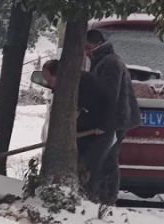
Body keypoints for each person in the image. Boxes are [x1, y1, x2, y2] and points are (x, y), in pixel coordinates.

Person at [84, 28, 142, 205]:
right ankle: (103, 197)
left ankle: (106, 198)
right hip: (114, 119)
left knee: (107, 159)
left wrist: (103, 123)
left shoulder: (109, 63)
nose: (85, 52)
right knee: (105, 157)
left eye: (86, 47)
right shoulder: (103, 60)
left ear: (96, 45)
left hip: (114, 121)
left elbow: (110, 96)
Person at [41, 58, 112, 198]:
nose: (50, 86)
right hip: (87, 130)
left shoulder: (80, 85)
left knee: (90, 166)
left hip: (101, 130)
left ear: (59, 75)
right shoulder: (70, 83)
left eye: (50, 81)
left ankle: (90, 200)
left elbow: (76, 113)